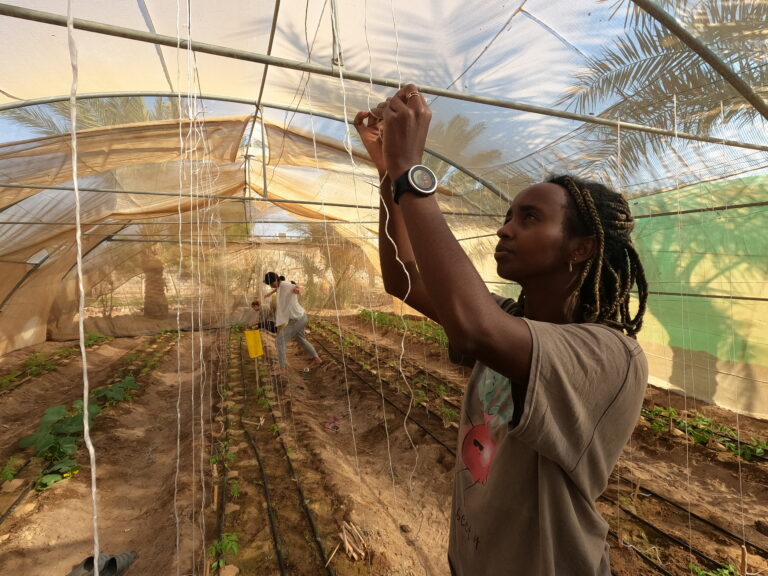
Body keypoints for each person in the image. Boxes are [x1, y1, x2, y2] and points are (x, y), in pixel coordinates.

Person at [353, 84, 649, 575]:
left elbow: (473, 328)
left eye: (529, 218)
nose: (504, 229)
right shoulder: (513, 319)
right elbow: (403, 278)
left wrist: (412, 173)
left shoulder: (609, 355)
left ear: (580, 248)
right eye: (508, 215)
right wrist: (389, 178)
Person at [263, 272, 322, 375]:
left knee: (279, 341)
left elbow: (299, 288)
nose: (272, 286)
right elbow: (278, 289)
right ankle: (316, 358)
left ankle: (282, 368)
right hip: (300, 317)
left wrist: (298, 290)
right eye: (270, 285)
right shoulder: (280, 285)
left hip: (297, 319)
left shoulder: (286, 285)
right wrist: (270, 293)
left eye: (272, 284)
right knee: (301, 340)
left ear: (277, 280)